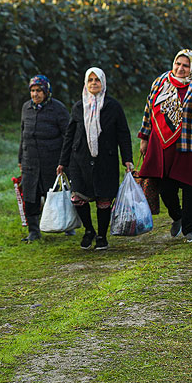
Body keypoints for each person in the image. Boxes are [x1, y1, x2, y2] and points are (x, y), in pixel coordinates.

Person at [139, 49, 192, 243]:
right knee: (166, 188)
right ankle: (177, 216)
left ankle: (189, 229)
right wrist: (144, 137)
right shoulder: (161, 82)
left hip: (191, 145)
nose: (180, 68)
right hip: (163, 146)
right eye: (178, 64)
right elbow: (148, 109)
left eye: (185, 65)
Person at [58, 68, 134, 251]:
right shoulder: (78, 107)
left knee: (103, 199)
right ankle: (89, 230)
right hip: (79, 159)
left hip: (105, 160)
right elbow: (69, 135)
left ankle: (101, 235)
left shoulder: (113, 106)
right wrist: (62, 162)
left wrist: (127, 159)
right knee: (78, 197)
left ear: (103, 82)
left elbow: (123, 134)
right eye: (90, 80)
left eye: (97, 80)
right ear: (85, 83)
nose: (93, 83)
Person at [18, 75, 71, 242]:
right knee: (30, 196)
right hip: (30, 162)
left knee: (56, 195)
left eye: (39, 91)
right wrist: (21, 158)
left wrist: (64, 160)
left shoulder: (58, 109)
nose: (35, 94)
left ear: (46, 91)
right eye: (33, 91)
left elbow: (68, 135)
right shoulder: (26, 108)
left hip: (52, 161)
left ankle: (67, 225)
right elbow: (23, 135)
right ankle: (34, 231)